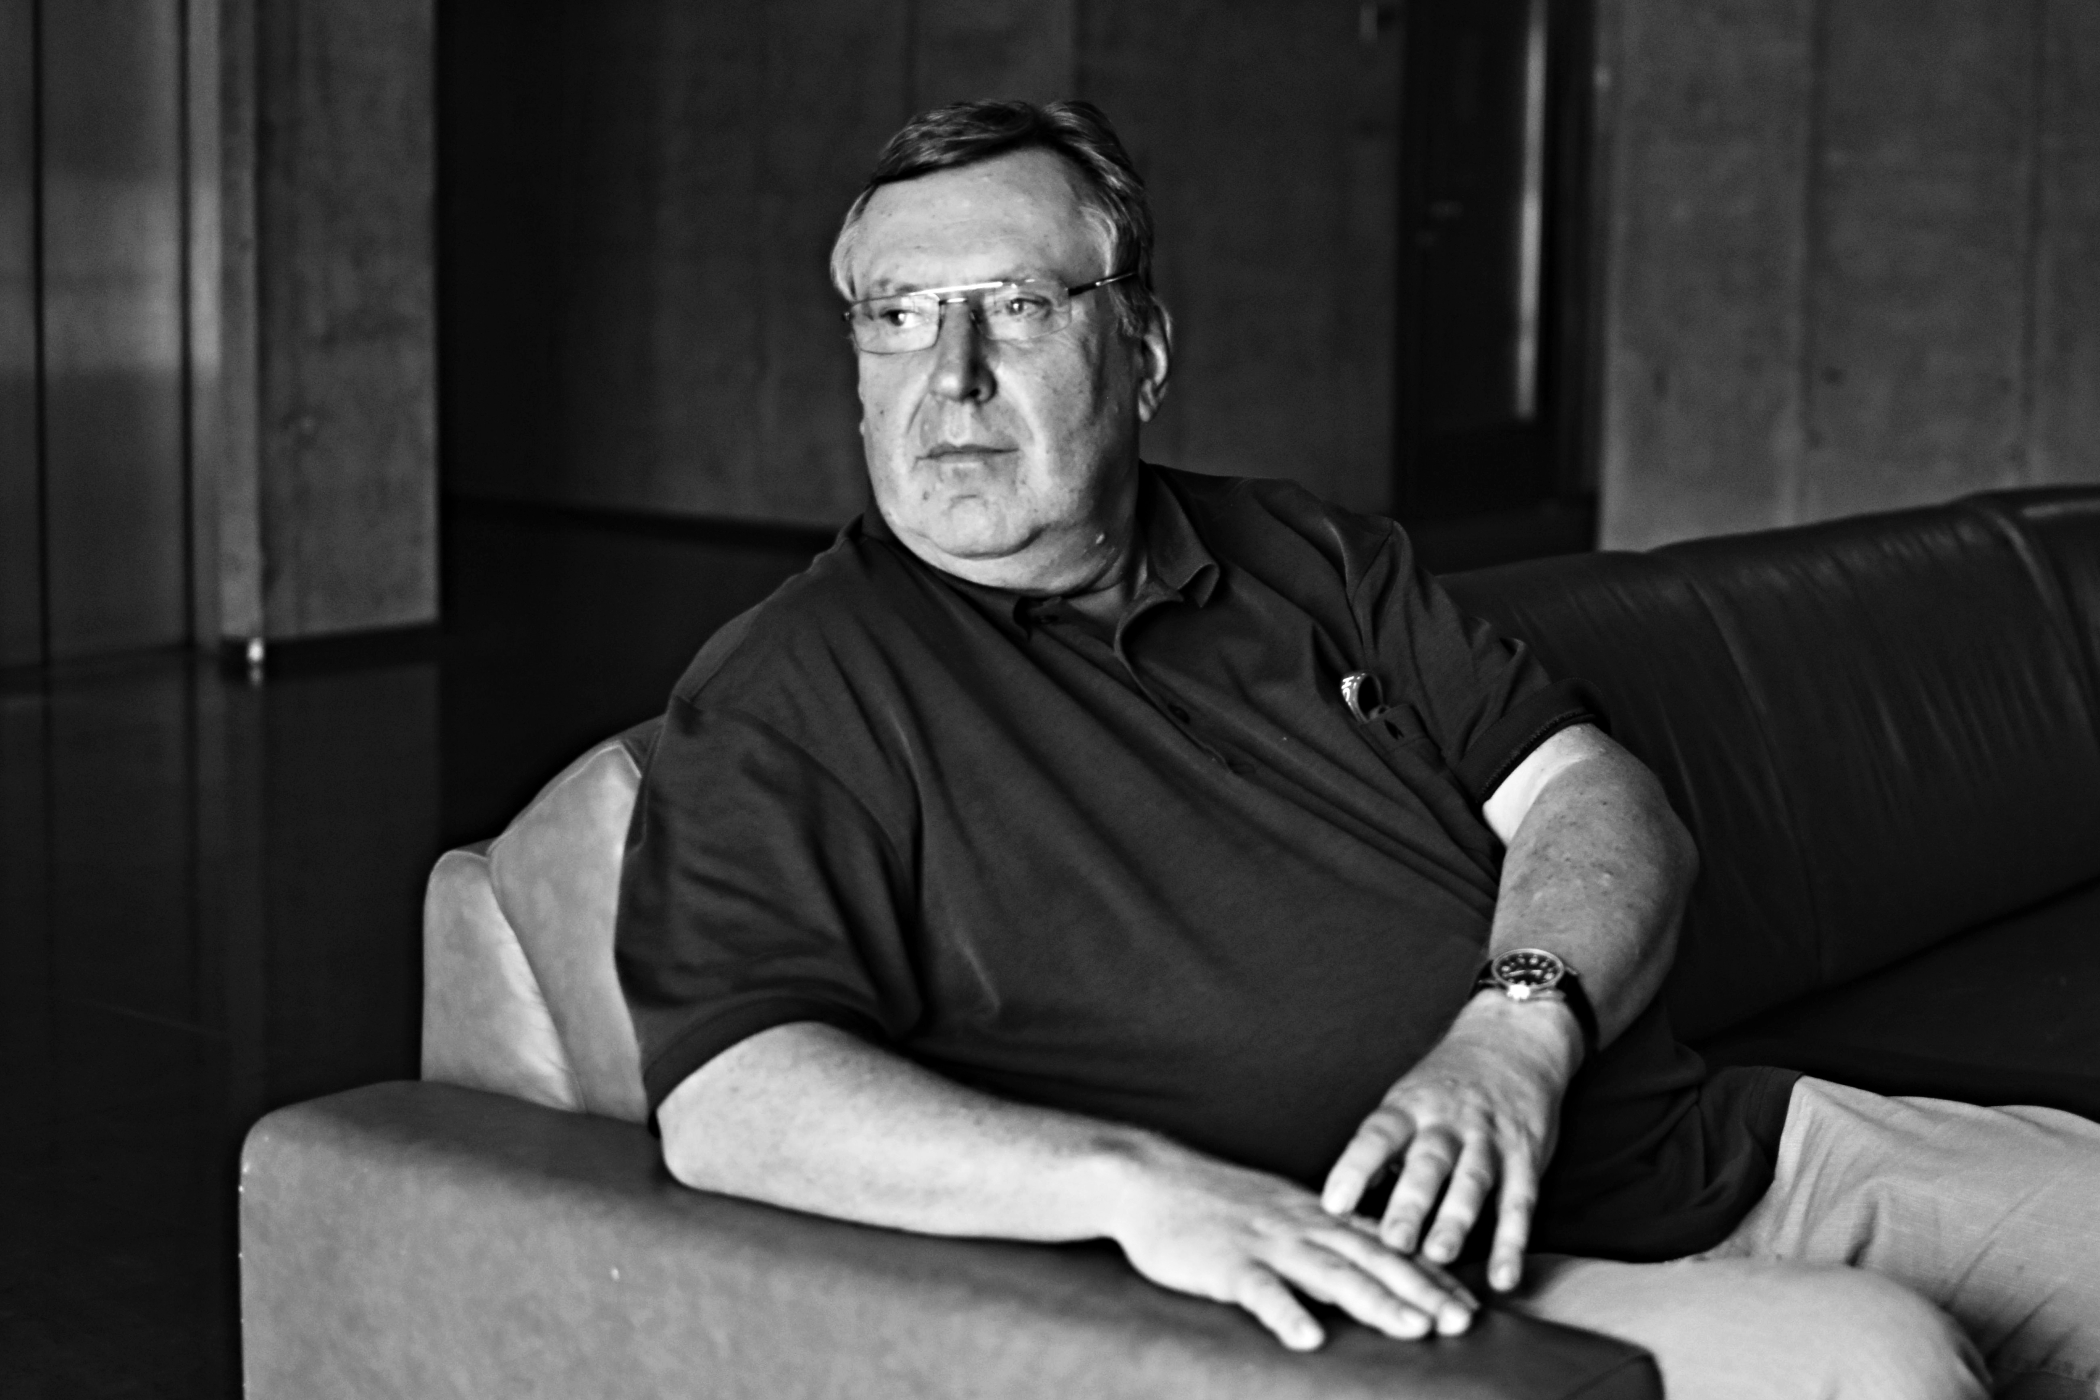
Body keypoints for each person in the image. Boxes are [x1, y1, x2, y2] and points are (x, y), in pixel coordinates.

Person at [614, 100, 2099, 1397]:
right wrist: (1134, 1188)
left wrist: (1515, 1035)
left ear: (1143, 351)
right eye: (897, 315)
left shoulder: (1310, 555)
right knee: (1878, 1365)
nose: (952, 376)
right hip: (1420, 1280)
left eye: (1016, 305)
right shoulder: (794, 689)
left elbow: (1596, 795)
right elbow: (733, 1098)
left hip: (1718, 1152)